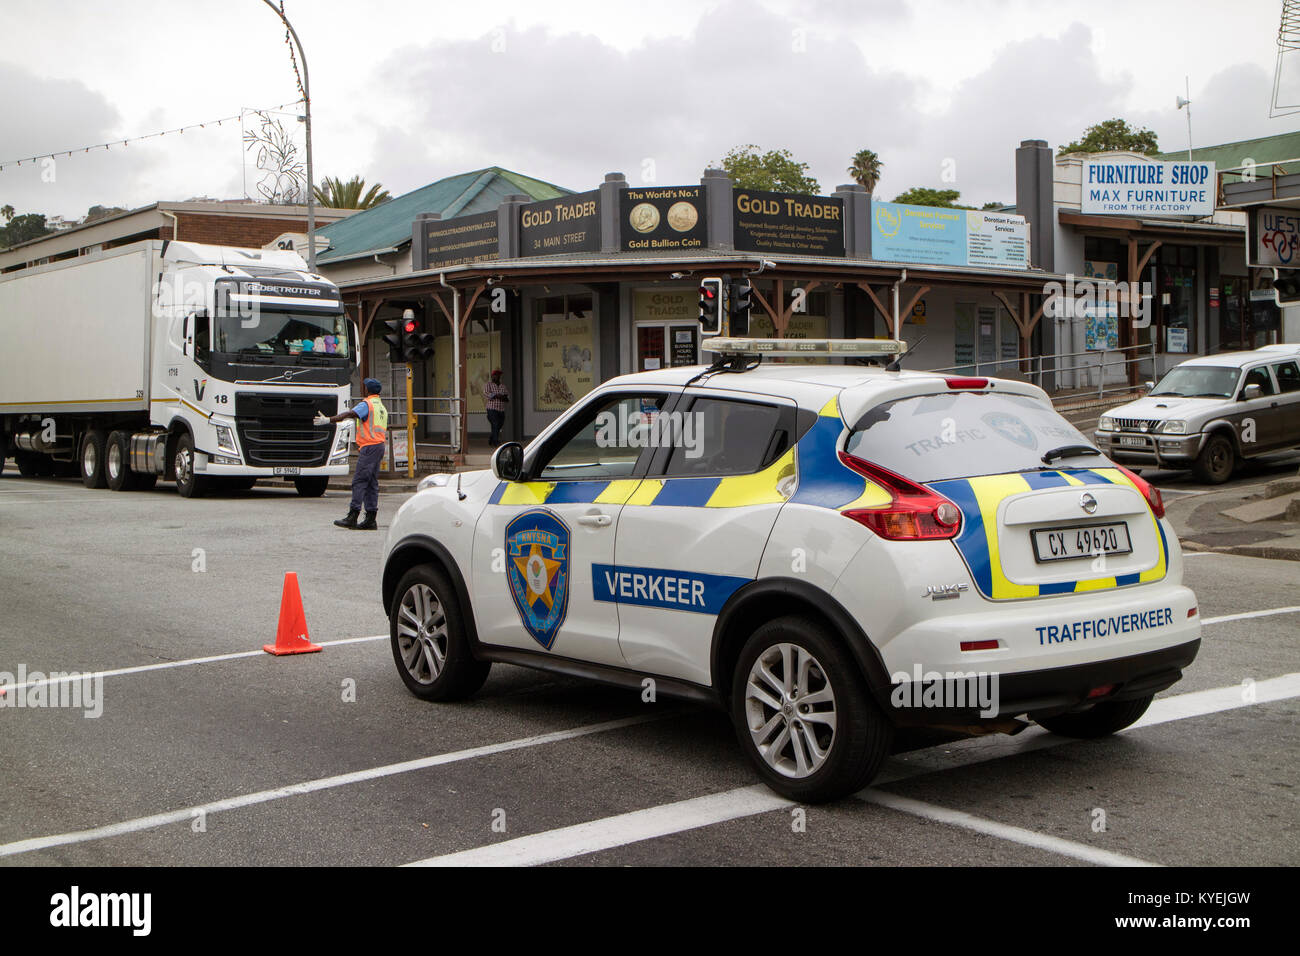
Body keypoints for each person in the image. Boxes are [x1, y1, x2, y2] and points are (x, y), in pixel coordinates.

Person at [319, 378, 388, 530]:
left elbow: (349, 414)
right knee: (371, 483)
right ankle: (370, 519)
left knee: (359, 481)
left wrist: (328, 420)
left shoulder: (367, 404)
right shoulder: (381, 406)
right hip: (379, 446)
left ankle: (353, 516)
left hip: (370, 447)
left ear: (367, 390)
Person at [483, 368, 509, 446]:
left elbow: (507, 398)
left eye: (498, 375)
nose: (497, 376)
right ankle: (496, 441)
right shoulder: (489, 385)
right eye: (495, 375)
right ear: (492, 376)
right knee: (495, 423)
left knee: (500, 425)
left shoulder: (503, 386)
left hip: (501, 409)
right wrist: (498, 395)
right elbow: (487, 394)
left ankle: (492, 438)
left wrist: (499, 396)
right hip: (491, 409)